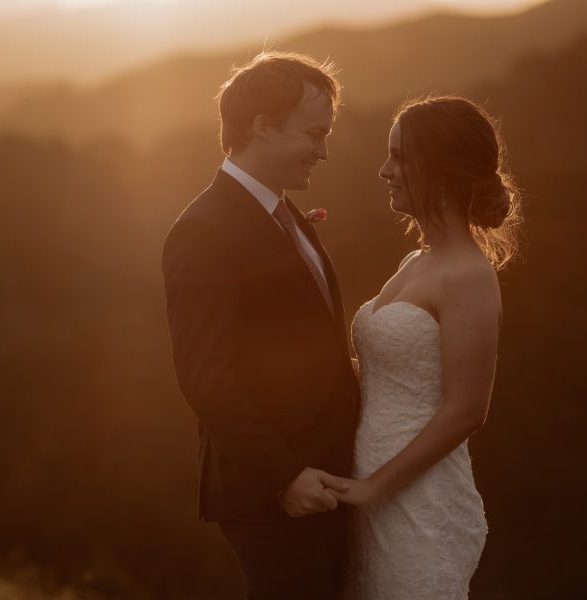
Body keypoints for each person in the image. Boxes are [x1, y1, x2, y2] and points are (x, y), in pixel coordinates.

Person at [161, 51, 360, 600]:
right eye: (314, 134)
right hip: (270, 492)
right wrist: (285, 477)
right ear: (262, 126)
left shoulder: (283, 212)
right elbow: (205, 375)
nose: (323, 151)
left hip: (326, 477)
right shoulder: (203, 229)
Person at [326, 95, 522, 599]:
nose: (383, 170)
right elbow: (385, 375)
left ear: (439, 167)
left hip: (414, 496)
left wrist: (375, 486)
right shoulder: (417, 260)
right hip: (367, 491)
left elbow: (466, 410)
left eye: (398, 157)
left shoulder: (469, 276)